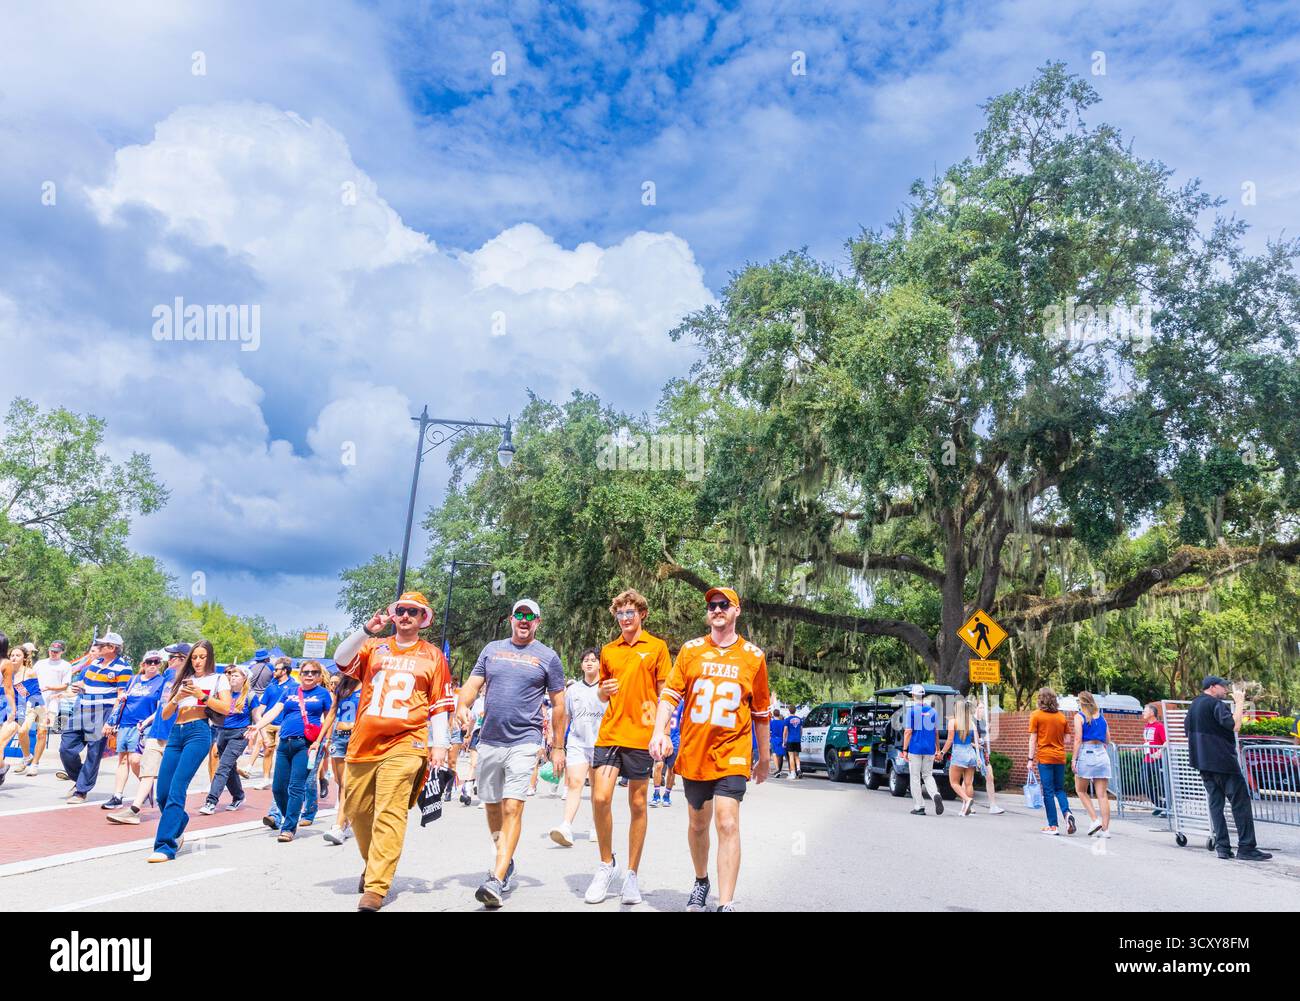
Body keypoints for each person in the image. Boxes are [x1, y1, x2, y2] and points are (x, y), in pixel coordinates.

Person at [650, 586, 770, 912]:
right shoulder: (690, 651)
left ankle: (726, 902)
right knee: (698, 824)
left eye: (723, 605)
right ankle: (701, 882)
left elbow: (760, 713)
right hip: (694, 751)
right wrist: (659, 731)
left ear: (736, 611)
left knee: (728, 823)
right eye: (712, 606)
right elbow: (671, 697)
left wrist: (764, 756)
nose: (717, 610)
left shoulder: (754, 657)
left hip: (733, 751)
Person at [332, 591, 454, 910]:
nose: (406, 616)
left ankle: (376, 885)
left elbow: (439, 705)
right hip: (363, 742)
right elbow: (341, 659)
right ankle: (374, 863)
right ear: (394, 613)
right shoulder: (374, 647)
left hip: (407, 742)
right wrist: (365, 629)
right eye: (401, 610)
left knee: (390, 812)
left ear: (422, 619)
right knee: (356, 811)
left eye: (413, 612)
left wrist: (439, 744)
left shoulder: (432, 656)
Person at [456, 598, 566, 909]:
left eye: (530, 616)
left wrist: (557, 747)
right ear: (511, 619)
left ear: (538, 622)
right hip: (490, 739)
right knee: (491, 806)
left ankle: (496, 876)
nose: (524, 620)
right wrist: (462, 705)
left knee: (512, 807)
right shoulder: (491, 649)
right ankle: (505, 859)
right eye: (519, 614)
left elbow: (559, 704)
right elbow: (473, 685)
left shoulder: (548, 657)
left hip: (525, 740)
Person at [585, 589, 672, 905]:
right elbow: (602, 694)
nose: (624, 618)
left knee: (637, 804)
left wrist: (661, 731)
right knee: (600, 796)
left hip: (641, 736)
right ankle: (606, 863)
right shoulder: (608, 651)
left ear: (642, 614)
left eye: (630, 612)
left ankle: (631, 875)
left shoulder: (657, 648)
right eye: (620, 613)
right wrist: (603, 692)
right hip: (610, 734)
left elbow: (666, 694)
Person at [147, 640, 231, 861]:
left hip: (198, 732)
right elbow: (165, 714)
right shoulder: (183, 680)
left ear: (209, 657)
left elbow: (225, 708)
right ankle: (180, 821)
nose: (198, 661)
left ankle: (165, 846)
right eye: (194, 657)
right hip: (176, 732)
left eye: (202, 657)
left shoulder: (218, 678)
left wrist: (201, 695)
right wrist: (178, 697)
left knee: (177, 788)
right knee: (162, 791)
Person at [1185, 676, 1270, 861]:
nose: (1226, 690)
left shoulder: (1194, 705)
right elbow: (1235, 725)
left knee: (1216, 804)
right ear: (1212, 687)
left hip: (1202, 762)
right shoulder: (1216, 704)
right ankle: (1246, 847)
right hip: (1223, 761)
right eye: (1223, 687)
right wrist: (1239, 703)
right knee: (1240, 803)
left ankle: (1222, 847)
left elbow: (1188, 731)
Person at [250, 659, 333, 843]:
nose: (309, 675)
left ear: (319, 676)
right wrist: (258, 726)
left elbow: (328, 720)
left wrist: (322, 741)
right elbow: (274, 711)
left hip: (305, 745)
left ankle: (288, 827)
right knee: (279, 788)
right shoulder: (290, 690)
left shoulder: (323, 694)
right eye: (306, 672)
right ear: (300, 675)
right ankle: (290, 816)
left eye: (313, 672)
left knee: (296, 787)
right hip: (284, 743)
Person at [107, 644, 188, 824]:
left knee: (169, 782)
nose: (167, 661)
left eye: (171, 657)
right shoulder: (168, 675)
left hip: (174, 732)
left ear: (183, 658)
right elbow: (161, 704)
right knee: (145, 768)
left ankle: (175, 818)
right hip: (157, 729)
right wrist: (148, 722)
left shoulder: (189, 679)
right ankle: (135, 810)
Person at [59, 633, 132, 804]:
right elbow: (85, 683)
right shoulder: (94, 664)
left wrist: (111, 721)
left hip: (102, 711)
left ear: (112, 648)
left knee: (93, 753)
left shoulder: (123, 668)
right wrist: (78, 686)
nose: (97, 647)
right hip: (81, 707)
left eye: (102, 645)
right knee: (66, 748)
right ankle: (80, 779)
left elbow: (121, 697)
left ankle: (81, 791)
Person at [550, 648, 606, 847]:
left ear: (600, 664)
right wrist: (558, 744)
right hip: (577, 742)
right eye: (586, 660)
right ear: (581, 665)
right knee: (574, 782)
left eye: (593, 660)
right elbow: (565, 718)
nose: (590, 663)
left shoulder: (606, 688)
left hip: (601, 744)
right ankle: (566, 826)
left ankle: (596, 825)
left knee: (598, 790)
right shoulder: (572, 691)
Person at [101, 651, 168, 810]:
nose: (153, 665)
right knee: (123, 760)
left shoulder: (162, 682)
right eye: (149, 662)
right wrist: (111, 721)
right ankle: (118, 795)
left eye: (156, 662)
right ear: (143, 664)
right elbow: (121, 702)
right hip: (125, 724)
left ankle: (146, 786)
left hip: (142, 726)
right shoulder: (133, 680)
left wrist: (146, 722)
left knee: (135, 760)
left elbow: (161, 708)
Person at [198, 663, 253, 814]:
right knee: (229, 768)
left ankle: (211, 802)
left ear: (244, 679)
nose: (232, 677)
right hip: (221, 732)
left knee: (222, 767)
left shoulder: (249, 696)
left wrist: (258, 732)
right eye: (230, 674)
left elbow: (257, 717)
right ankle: (239, 796)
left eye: (236, 675)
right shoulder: (224, 694)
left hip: (239, 734)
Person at [1027, 687, 1075, 836]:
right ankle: (1067, 814)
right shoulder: (1061, 717)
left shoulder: (1036, 715)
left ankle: (1053, 825)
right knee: (1059, 789)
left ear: (1041, 699)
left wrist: (1030, 759)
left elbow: (1033, 739)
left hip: (1045, 757)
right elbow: (1067, 739)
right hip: (1060, 757)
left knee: (1048, 791)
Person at [321, 673, 361, 846]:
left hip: (357, 738)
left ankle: (338, 826)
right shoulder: (342, 686)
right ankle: (348, 820)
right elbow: (331, 713)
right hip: (339, 737)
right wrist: (321, 739)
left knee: (346, 783)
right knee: (339, 781)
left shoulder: (367, 685)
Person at [26, 640, 73, 775]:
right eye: (52, 650)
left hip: (51, 703)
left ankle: (34, 764)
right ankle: (26, 757)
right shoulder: (40, 664)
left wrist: (49, 688)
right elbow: (31, 679)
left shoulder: (65, 666)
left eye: (57, 651)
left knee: (42, 733)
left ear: (62, 652)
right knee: (24, 729)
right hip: (34, 700)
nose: (53, 653)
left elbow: (65, 685)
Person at [1071, 691, 1112, 837]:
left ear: (1081, 702)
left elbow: (1077, 739)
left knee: (1081, 790)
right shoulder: (1102, 718)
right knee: (1102, 795)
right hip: (1102, 753)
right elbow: (1108, 739)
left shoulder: (1079, 717)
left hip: (1086, 753)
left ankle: (1095, 820)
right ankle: (1106, 830)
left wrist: (1073, 759)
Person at [900, 684, 942, 815]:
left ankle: (920, 806)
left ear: (913, 695)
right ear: (923, 695)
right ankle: (935, 794)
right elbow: (936, 732)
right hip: (929, 749)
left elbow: (908, 732)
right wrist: (938, 749)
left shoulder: (911, 711)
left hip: (915, 749)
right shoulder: (933, 711)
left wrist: (905, 750)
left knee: (915, 777)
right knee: (928, 775)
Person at [939, 697, 979, 816]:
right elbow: (975, 739)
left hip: (959, 753)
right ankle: (966, 808)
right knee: (968, 783)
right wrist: (978, 757)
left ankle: (967, 800)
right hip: (971, 753)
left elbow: (950, 740)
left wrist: (942, 752)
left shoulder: (953, 722)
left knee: (954, 782)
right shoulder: (971, 722)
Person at [973, 699, 1005, 814]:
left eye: (984, 708)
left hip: (983, 753)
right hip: (973, 752)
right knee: (968, 779)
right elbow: (966, 740)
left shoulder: (982, 722)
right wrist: (976, 745)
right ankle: (967, 804)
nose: (983, 710)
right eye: (981, 708)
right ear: (975, 708)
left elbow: (983, 738)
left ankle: (993, 806)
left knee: (990, 777)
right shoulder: (971, 721)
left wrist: (987, 731)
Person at [653, 696, 683, 806]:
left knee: (671, 769)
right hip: (661, 738)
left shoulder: (682, 702)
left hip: (675, 740)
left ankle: (667, 795)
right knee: (659, 765)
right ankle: (656, 794)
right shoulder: (660, 701)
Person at [1141, 703, 1168, 816]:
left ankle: (1168, 807)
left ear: (1152, 713)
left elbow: (1166, 742)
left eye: (1145, 711)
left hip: (1158, 760)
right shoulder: (1147, 726)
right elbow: (1148, 742)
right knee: (1144, 783)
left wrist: (1159, 752)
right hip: (1147, 759)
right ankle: (1159, 805)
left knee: (1163, 784)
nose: (1143, 713)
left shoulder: (1159, 726)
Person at [783, 708, 803, 779]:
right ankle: (798, 769)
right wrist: (799, 738)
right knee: (797, 756)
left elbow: (785, 731)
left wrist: (784, 741)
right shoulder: (799, 719)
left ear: (789, 711)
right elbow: (801, 730)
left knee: (791, 756)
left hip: (790, 740)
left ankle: (793, 773)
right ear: (795, 711)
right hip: (797, 740)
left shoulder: (787, 720)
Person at [767, 707, 786, 778]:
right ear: (779, 714)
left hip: (774, 739)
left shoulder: (771, 722)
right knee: (780, 755)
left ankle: (777, 769)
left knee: (774, 754)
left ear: (773, 714)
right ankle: (779, 770)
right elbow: (785, 731)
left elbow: (769, 732)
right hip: (781, 739)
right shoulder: (783, 722)